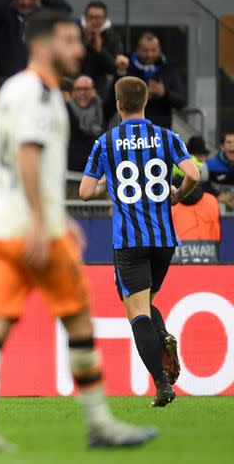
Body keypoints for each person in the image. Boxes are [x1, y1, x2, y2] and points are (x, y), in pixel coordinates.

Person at [0, 11, 158, 450]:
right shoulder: (36, 93)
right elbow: (29, 157)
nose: (78, 49)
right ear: (41, 46)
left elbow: (22, 164)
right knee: (79, 324)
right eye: (69, 41)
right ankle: (99, 423)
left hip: (4, 227)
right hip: (34, 232)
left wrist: (58, 214)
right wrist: (43, 222)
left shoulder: (31, 91)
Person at [80, 75, 200, 406]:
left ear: (118, 105)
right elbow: (194, 174)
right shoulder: (167, 136)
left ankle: (162, 384)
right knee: (145, 304)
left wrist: (108, 182)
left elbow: (85, 192)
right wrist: (177, 196)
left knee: (137, 314)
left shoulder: (106, 142)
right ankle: (162, 340)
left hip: (130, 241)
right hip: (165, 240)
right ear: (145, 102)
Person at [0, 0, 71, 85]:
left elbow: (65, 10)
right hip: (7, 78)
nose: (25, 2)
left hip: (37, 78)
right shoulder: (4, 16)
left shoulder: (42, 17)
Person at [106, 32, 187, 129]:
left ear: (159, 50)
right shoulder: (127, 70)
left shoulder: (167, 70)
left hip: (160, 133)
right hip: (132, 133)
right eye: (145, 50)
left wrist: (164, 94)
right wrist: (120, 74)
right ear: (137, 50)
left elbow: (182, 101)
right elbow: (111, 103)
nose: (149, 54)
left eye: (153, 50)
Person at [78, 1, 124, 98]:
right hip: (77, 87)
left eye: (98, 18)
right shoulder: (76, 33)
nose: (94, 21)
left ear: (105, 19)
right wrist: (84, 42)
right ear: (85, 18)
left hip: (102, 91)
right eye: (90, 17)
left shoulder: (113, 37)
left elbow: (114, 68)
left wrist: (99, 50)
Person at [67, 75, 104, 173]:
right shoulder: (65, 112)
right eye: (78, 89)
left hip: (96, 174)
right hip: (70, 172)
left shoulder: (103, 111)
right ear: (72, 92)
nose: (82, 93)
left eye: (86, 89)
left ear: (93, 91)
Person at [200, 131, 234, 211]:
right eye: (229, 142)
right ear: (222, 146)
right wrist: (218, 195)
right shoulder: (208, 165)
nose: (232, 145)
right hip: (214, 208)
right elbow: (199, 186)